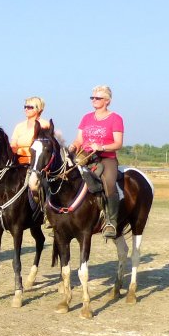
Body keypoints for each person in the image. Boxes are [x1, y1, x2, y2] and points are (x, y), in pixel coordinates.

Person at [0, 96, 52, 225]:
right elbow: (13, 144)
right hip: (18, 163)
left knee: (40, 184)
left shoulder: (44, 125)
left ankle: (46, 212)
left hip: (35, 163)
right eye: (25, 107)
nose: (26, 109)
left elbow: (43, 146)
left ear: (39, 109)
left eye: (30, 107)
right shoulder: (19, 126)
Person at [68, 85, 124, 239]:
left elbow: (118, 143)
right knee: (64, 176)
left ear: (107, 101)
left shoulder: (115, 118)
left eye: (98, 98)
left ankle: (111, 221)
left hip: (106, 158)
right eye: (92, 97)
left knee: (109, 183)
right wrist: (73, 146)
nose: (94, 100)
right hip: (84, 156)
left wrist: (102, 147)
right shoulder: (86, 117)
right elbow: (79, 139)